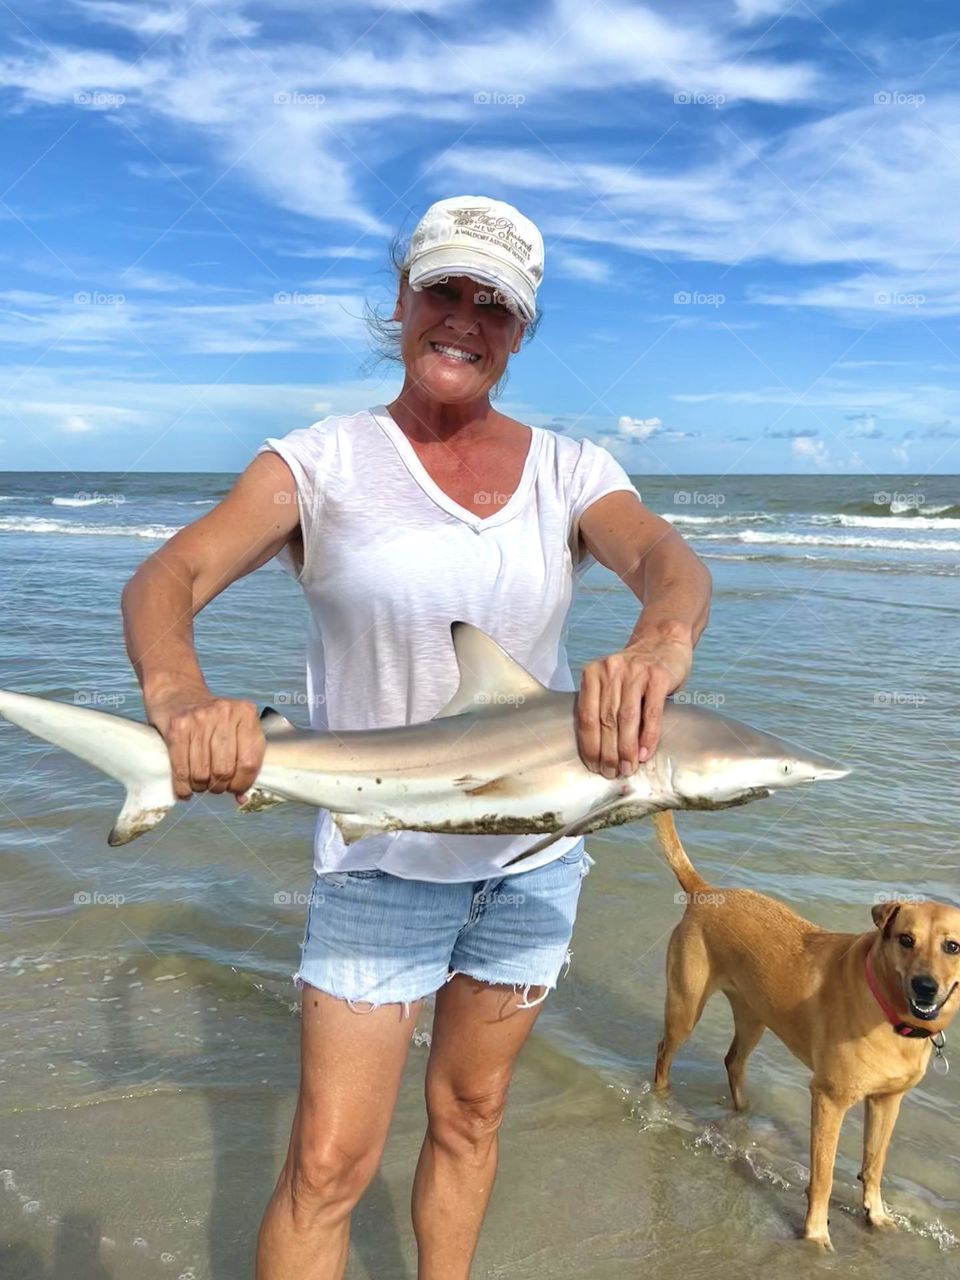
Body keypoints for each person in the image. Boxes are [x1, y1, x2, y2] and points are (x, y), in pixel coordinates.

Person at [121, 194, 712, 1280]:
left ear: (521, 330)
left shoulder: (572, 471)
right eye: (446, 287)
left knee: (473, 1114)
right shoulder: (321, 463)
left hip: (534, 861)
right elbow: (172, 574)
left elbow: (668, 566)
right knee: (329, 1163)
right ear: (401, 298)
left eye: (497, 304)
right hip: (378, 859)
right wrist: (181, 700)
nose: (466, 317)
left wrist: (657, 649)